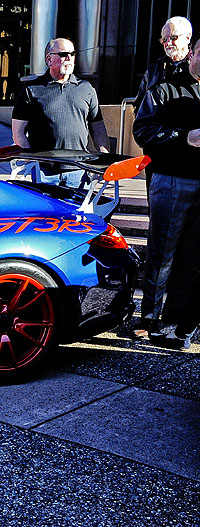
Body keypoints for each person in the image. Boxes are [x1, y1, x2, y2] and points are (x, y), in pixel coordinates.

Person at [131, 37, 200, 349]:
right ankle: (150, 318)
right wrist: (185, 137)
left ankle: (176, 321)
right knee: (162, 254)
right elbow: (142, 130)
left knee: (192, 257)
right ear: (192, 54)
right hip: (172, 180)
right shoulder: (163, 89)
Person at [11, 38, 110, 188]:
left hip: (79, 171)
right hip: (45, 172)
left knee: (77, 212)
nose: (69, 58)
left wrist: (105, 158)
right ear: (49, 59)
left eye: (72, 53)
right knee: (47, 212)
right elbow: (18, 132)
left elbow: (98, 128)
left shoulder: (86, 89)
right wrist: (32, 161)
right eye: (64, 54)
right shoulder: (31, 90)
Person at [134, 17, 192, 112]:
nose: (168, 43)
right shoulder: (153, 69)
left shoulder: (195, 67)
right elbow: (140, 104)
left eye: (173, 37)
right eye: (164, 39)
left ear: (187, 38)